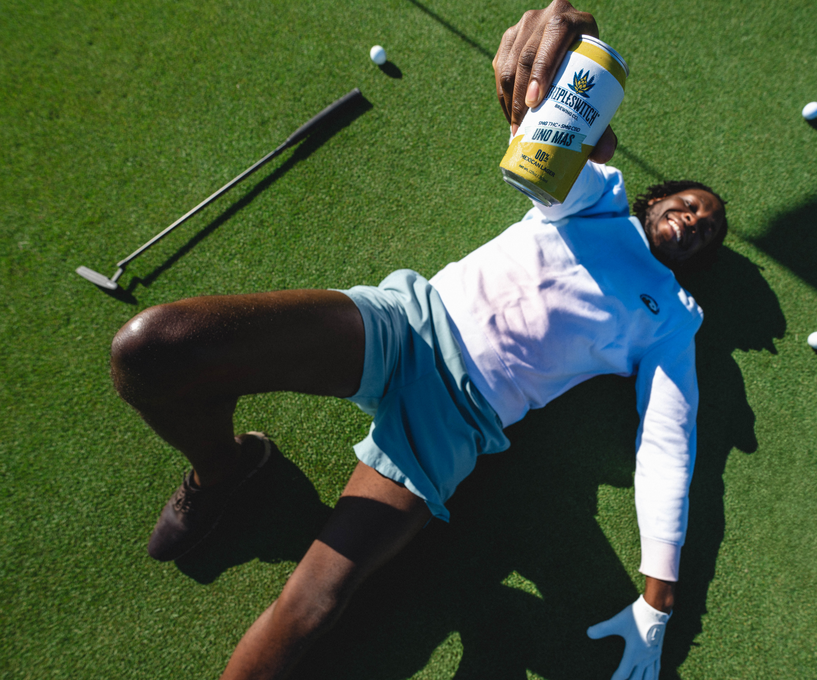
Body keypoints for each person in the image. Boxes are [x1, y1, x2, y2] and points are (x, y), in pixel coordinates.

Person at [109, 2, 728, 678]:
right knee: (150, 347)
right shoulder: (599, 197)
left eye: (708, 230)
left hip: (457, 419)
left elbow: (668, 442)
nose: (696, 221)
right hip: (405, 323)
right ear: (656, 199)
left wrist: (659, 597)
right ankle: (226, 469)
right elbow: (548, 150)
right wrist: (554, 80)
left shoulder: (673, 316)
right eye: (690, 204)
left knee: (311, 606)